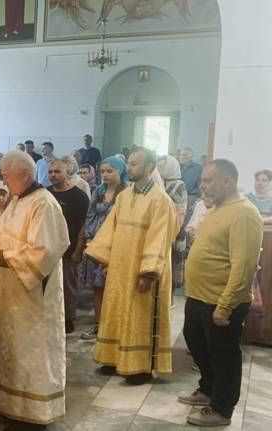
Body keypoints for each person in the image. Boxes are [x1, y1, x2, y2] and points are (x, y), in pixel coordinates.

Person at [0, 150, 69, 426]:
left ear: (24, 174)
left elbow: (45, 251)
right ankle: (1, 396)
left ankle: (32, 406)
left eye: (6, 176)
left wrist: (4, 256)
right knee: (6, 341)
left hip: (30, 297)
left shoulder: (44, 204)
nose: (3, 181)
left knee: (28, 346)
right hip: (7, 289)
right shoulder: (18, 200)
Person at [84, 147, 179, 384]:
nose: (131, 167)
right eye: (130, 163)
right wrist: (108, 260)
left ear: (149, 168)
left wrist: (148, 272)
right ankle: (113, 357)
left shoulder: (161, 200)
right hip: (120, 268)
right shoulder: (125, 197)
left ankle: (140, 367)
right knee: (116, 311)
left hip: (141, 271)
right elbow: (111, 231)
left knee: (139, 316)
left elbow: (159, 239)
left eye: (136, 164)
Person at [180, 159, 263, 427]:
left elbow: (244, 266)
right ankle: (208, 389)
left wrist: (225, 306)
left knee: (224, 355)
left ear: (227, 181)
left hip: (221, 301)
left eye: (208, 181)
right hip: (198, 296)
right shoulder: (217, 207)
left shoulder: (245, 213)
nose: (202, 186)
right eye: (203, 181)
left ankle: (222, 408)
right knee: (197, 343)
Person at [78, 156, 127, 340]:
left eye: (110, 171)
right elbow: (90, 215)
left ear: (120, 171)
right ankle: (98, 325)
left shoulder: (126, 193)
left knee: (114, 288)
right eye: (103, 172)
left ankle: (114, 326)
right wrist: (90, 238)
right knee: (97, 288)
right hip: (97, 245)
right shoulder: (98, 191)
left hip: (116, 245)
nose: (105, 175)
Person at [47, 159, 90, 334]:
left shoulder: (79, 196)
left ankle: (68, 319)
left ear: (67, 172)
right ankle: (50, 316)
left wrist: (79, 250)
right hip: (48, 248)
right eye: (50, 172)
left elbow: (83, 225)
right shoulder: (46, 193)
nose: (53, 175)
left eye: (57, 171)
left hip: (70, 249)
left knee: (68, 286)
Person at [158, 155, 189, 292]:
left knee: (171, 265)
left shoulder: (179, 185)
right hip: (160, 230)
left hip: (174, 230)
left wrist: (172, 232)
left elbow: (180, 212)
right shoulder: (160, 182)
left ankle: (169, 300)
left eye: (163, 166)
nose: (160, 168)